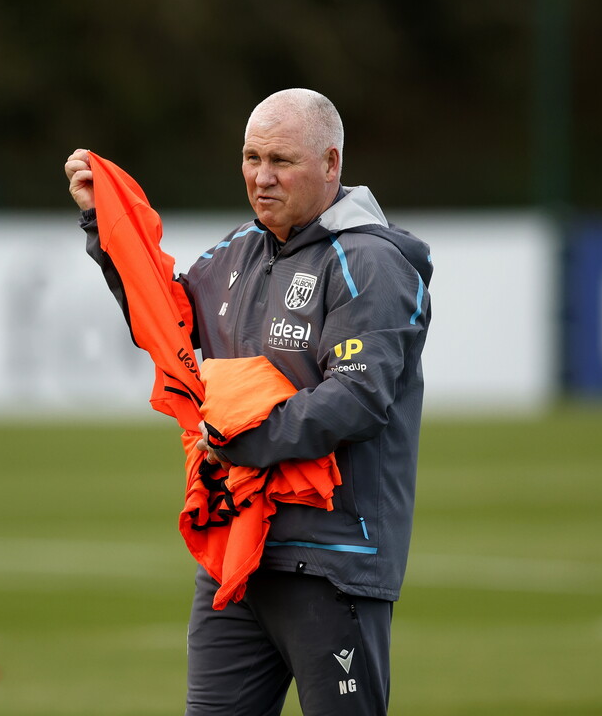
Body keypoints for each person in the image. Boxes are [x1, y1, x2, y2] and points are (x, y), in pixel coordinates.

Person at [64, 88, 432, 716]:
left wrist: (241, 438)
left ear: (331, 164)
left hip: (333, 561)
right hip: (236, 554)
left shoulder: (370, 262)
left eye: (281, 161)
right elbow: (168, 324)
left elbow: (358, 398)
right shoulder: (238, 248)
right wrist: (107, 226)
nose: (262, 177)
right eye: (252, 158)